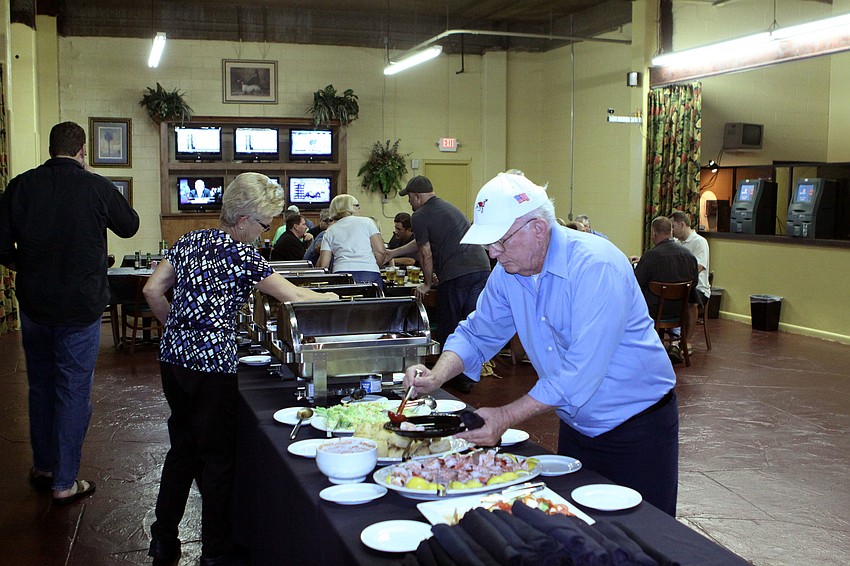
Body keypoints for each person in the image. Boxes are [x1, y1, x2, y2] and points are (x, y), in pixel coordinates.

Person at [403, 172, 679, 516]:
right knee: (580, 530)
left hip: (637, 428)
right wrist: (436, 375)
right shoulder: (509, 272)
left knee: (645, 536)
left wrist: (504, 416)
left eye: (501, 241)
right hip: (577, 425)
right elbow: (477, 333)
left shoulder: (595, 267)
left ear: (538, 228)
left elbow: (577, 374)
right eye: (489, 244)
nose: (492, 253)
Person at [142, 173, 336, 564]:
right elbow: (293, 295)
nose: (266, 234)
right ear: (244, 219)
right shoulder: (241, 254)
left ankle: (163, 539)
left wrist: (178, 328)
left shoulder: (188, 240)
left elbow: (151, 290)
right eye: (265, 225)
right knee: (217, 460)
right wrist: (330, 295)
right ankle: (215, 550)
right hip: (213, 367)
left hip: (173, 363)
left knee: (182, 449)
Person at [0, 121, 140, 505]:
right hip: (81, 306)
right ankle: (65, 481)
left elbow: (0, 242)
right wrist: (94, 178)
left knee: (41, 386)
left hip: (35, 303)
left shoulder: (22, 185)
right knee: (73, 390)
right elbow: (129, 226)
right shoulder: (95, 186)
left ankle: (44, 466)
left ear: (50, 149)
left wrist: (22, 264)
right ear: (82, 151)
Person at [389, 175, 491, 393]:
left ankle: (449, 377)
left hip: (457, 273)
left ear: (417, 196)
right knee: (471, 324)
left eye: (409, 197)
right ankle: (469, 377)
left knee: (449, 326)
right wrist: (392, 253)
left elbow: (425, 253)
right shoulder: (448, 208)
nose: (408, 202)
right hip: (481, 267)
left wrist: (426, 284)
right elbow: (420, 243)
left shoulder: (420, 215)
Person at [634, 216, 700, 363]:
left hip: (654, 312)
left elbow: (636, 284)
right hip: (680, 311)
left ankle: (645, 350)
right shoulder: (688, 256)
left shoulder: (651, 256)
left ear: (653, 234)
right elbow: (694, 283)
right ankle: (675, 343)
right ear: (671, 232)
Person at [318, 194, 387, 287]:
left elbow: (324, 264)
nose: (359, 209)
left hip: (341, 273)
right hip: (369, 272)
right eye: (357, 205)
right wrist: (374, 265)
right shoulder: (367, 222)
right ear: (349, 207)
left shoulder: (330, 231)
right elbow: (381, 251)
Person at [670, 210, 710, 349]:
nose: (672, 231)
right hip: (679, 285)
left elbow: (698, 267)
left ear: (682, 224)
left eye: (673, 227)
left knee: (690, 303)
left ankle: (687, 340)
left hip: (698, 289)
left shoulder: (699, 242)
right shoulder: (675, 243)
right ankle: (674, 338)